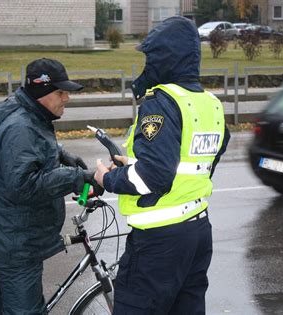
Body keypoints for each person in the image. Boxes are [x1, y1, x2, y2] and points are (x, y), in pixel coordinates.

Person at [94, 16, 230, 314]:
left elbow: (155, 176)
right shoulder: (209, 102)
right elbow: (198, 161)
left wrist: (109, 179)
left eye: (151, 57)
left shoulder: (161, 101)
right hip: (196, 233)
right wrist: (135, 162)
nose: (147, 65)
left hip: (159, 241)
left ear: (166, 57)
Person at [0, 58, 101, 314]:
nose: (67, 99)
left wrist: (61, 154)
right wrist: (78, 176)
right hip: (15, 245)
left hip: (7, 235)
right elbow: (24, 185)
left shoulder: (29, 115)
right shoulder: (21, 126)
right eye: (61, 92)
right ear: (42, 92)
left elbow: (30, 151)